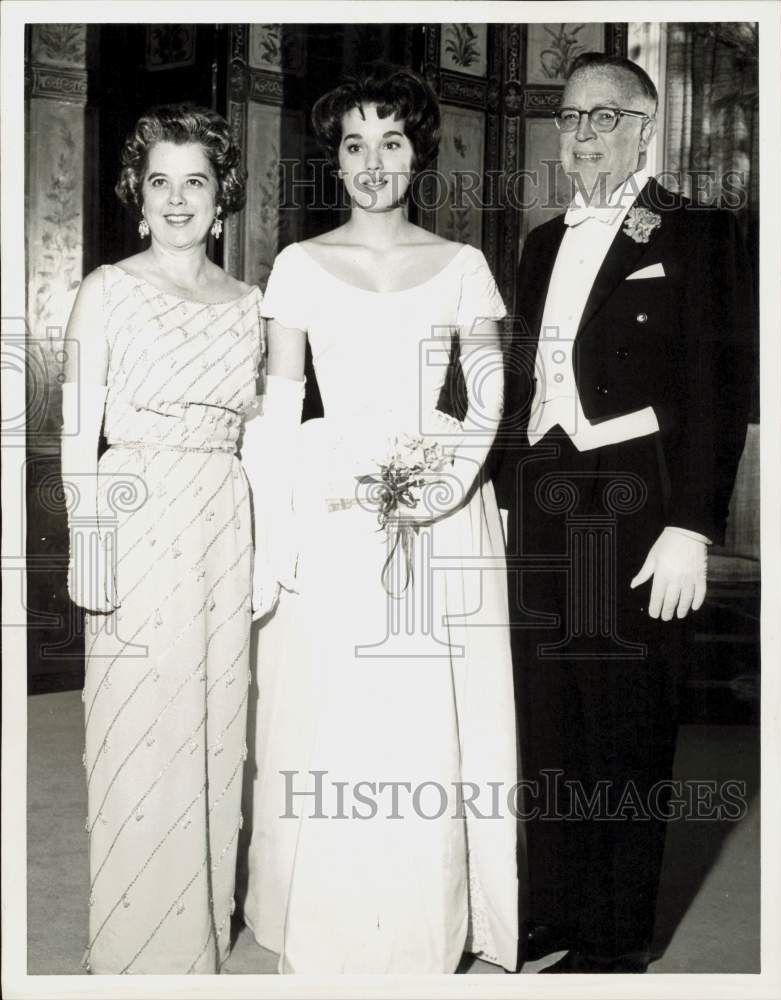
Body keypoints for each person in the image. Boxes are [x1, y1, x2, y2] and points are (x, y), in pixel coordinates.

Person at [240, 64, 518, 973]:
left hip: (435, 489)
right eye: (354, 145)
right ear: (336, 159)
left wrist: (440, 484)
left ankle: (420, 924)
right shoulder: (298, 264)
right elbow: (282, 401)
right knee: (325, 699)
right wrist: (274, 523)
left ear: (418, 154)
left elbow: (485, 395)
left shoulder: (464, 265)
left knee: (422, 710)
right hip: (331, 495)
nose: (371, 162)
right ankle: (311, 914)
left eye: (390, 141)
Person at [494, 53, 754, 973]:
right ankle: (554, 912)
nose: (582, 134)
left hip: (639, 504)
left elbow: (721, 389)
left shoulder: (700, 234)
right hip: (539, 498)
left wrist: (694, 525)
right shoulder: (536, 243)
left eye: (603, 117)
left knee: (626, 723)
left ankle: (612, 941)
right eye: (569, 118)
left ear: (647, 125)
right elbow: (514, 388)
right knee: (549, 714)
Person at [61, 105, 268, 973]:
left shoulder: (253, 302)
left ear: (221, 198)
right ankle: (132, 941)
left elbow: (260, 431)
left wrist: (269, 548)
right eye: (160, 182)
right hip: (136, 506)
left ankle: (197, 927)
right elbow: (77, 435)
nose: (177, 198)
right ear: (136, 198)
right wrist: (89, 546)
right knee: (134, 720)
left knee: (214, 723)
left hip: (224, 512)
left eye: (196, 181)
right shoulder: (106, 288)